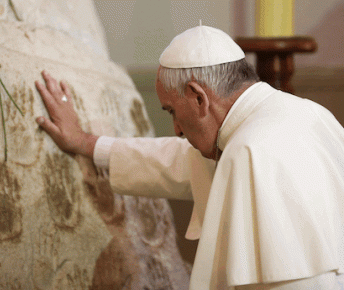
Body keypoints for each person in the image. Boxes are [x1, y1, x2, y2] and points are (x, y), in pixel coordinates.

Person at [34, 25, 344, 289]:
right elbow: (174, 158)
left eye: (172, 111)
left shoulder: (246, 150)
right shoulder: (310, 114)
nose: (177, 130)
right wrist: (84, 142)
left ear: (199, 96)